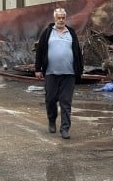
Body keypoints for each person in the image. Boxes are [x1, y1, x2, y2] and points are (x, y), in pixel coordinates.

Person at [34, 8, 82, 139]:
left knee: (66, 102)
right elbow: (40, 51)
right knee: (50, 99)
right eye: (58, 18)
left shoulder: (71, 33)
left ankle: (65, 129)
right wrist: (38, 69)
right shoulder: (48, 32)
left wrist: (79, 71)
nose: (61, 20)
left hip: (69, 74)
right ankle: (51, 120)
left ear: (65, 18)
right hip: (51, 73)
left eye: (63, 18)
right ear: (54, 19)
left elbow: (77, 52)